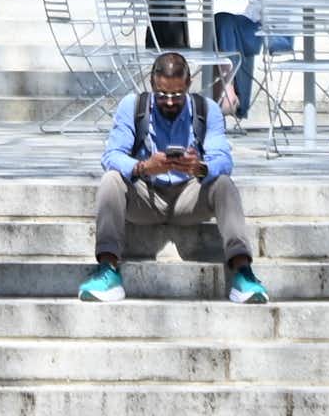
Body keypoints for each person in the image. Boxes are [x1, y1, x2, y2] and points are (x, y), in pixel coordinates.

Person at [76, 50, 268, 305]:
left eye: (176, 95)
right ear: (152, 84)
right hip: (147, 196)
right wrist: (144, 167)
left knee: (223, 184)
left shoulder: (206, 110)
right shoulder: (132, 107)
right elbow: (111, 155)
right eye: (162, 94)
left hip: (189, 196)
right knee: (111, 180)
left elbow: (223, 159)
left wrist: (199, 168)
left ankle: (243, 273)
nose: (169, 102)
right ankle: (108, 271)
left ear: (188, 85)